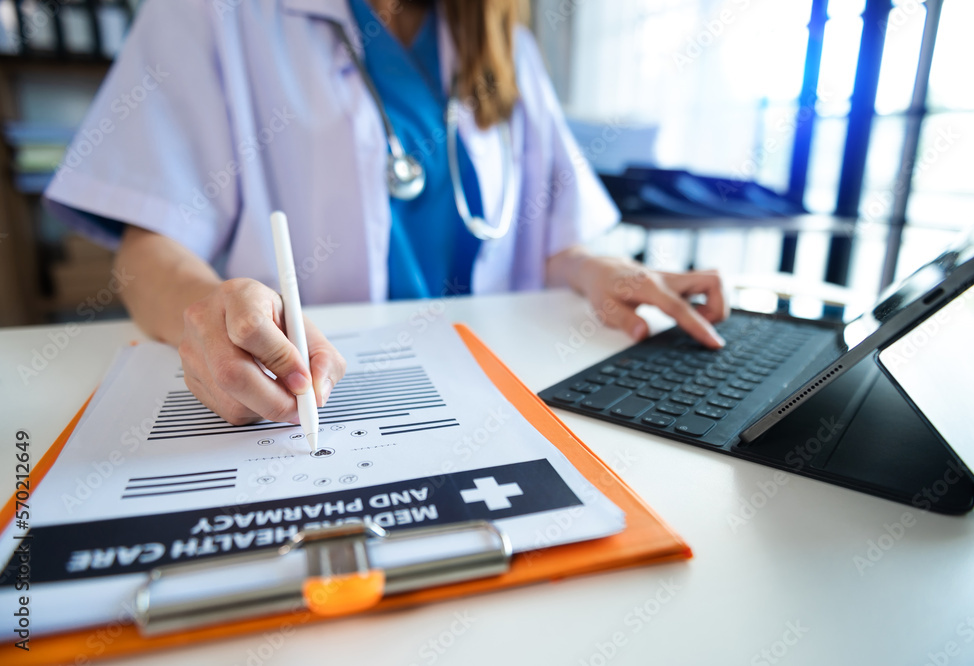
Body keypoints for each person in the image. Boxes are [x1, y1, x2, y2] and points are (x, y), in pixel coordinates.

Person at [44, 0, 728, 428]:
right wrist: (204, 310)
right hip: (314, 392)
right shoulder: (209, 14)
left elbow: (546, 236)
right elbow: (147, 247)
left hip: (488, 392)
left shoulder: (500, 36)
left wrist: (603, 268)